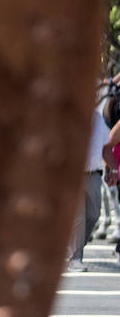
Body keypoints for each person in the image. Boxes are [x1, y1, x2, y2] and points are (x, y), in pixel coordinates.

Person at [67, 106, 114, 271]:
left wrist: (113, 168)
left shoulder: (98, 119)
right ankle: (75, 257)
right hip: (73, 175)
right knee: (78, 218)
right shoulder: (67, 117)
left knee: (94, 214)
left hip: (93, 174)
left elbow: (105, 147)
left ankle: (73, 246)